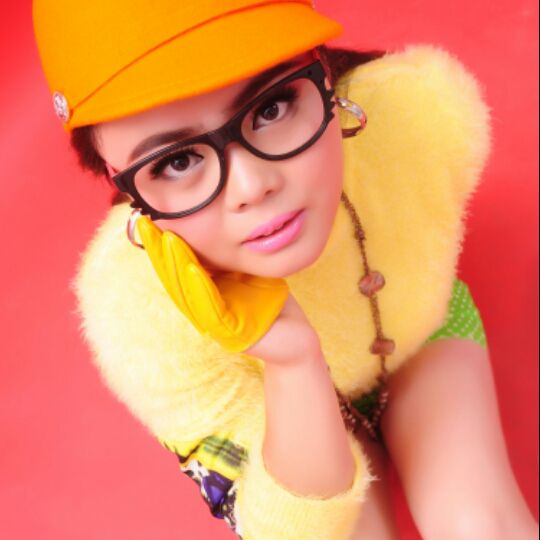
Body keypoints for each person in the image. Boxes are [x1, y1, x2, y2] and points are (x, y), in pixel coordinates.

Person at [33, 1, 538, 539]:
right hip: (274, 423)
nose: (253, 186)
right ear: (119, 180)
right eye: (177, 161)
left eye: (272, 108)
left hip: (413, 335)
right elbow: (293, 530)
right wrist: (292, 361)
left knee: (482, 525)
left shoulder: (415, 117)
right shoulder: (138, 316)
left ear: (324, 70)